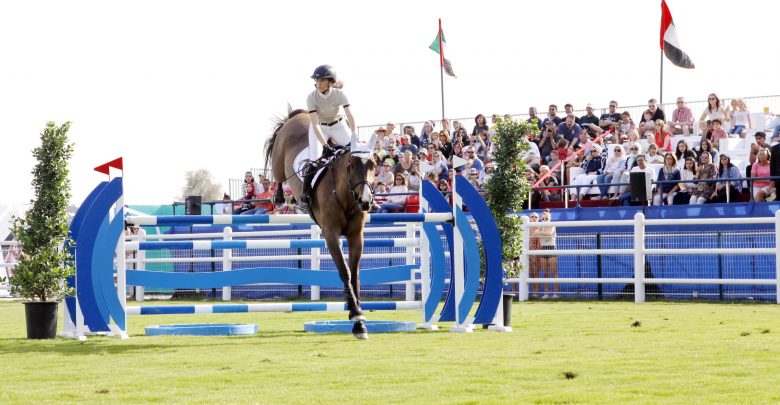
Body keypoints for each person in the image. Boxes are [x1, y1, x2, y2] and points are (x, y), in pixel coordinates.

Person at [301, 65, 357, 207]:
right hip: (320, 128)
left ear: (330, 82)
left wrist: (354, 134)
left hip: (339, 126)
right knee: (314, 159)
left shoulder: (339, 94)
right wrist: (324, 145)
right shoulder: (311, 97)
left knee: (356, 153)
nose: (318, 83)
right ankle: (305, 195)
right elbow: (315, 124)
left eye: (322, 80)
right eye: (317, 81)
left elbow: (349, 115)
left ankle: (363, 192)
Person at [537, 209, 558, 299]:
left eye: (546, 218)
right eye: (543, 219)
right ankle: (546, 293)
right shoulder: (540, 226)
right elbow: (534, 233)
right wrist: (542, 232)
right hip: (543, 248)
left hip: (551, 248)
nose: (545, 220)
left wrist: (541, 233)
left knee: (554, 272)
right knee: (545, 273)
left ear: (550, 218)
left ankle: (556, 294)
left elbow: (549, 234)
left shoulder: (552, 225)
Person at [527, 212, 542, 299]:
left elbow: (539, 243)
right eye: (532, 217)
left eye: (535, 217)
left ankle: (536, 292)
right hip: (527, 253)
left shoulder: (539, 228)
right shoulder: (526, 228)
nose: (533, 218)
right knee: (530, 273)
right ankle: (532, 292)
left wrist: (536, 254)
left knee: (536, 273)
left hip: (535, 253)